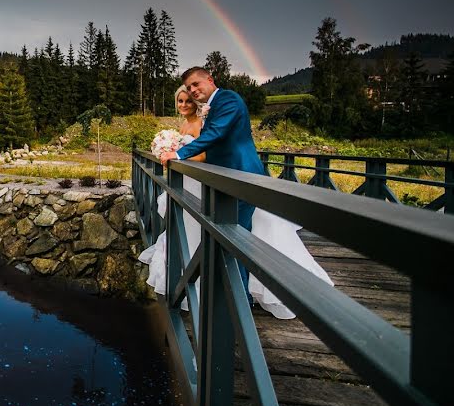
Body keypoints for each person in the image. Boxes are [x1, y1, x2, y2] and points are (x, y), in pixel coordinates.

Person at [154, 67, 333, 318]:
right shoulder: (210, 107)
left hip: (241, 176)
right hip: (226, 179)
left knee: (236, 238)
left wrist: (178, 153)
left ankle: (240, 302)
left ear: (210, 80)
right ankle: (238, 297)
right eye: (189, 88)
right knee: (234, 236)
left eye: (196, 84)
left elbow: (216, 134)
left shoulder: (228, 99)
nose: (194, 91)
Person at [138, 85, 204, 298]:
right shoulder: (184, 125)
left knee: (193, 230)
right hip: (183, 182)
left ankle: (197, 288)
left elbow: (203, 156)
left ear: (196, 102)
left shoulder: (200, 124)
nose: (184, 105)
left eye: (188, 101)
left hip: (195, 184)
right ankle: (183, 278)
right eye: (180, 101)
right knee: (181, 228)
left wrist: (175, 155)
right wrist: (168, 154)